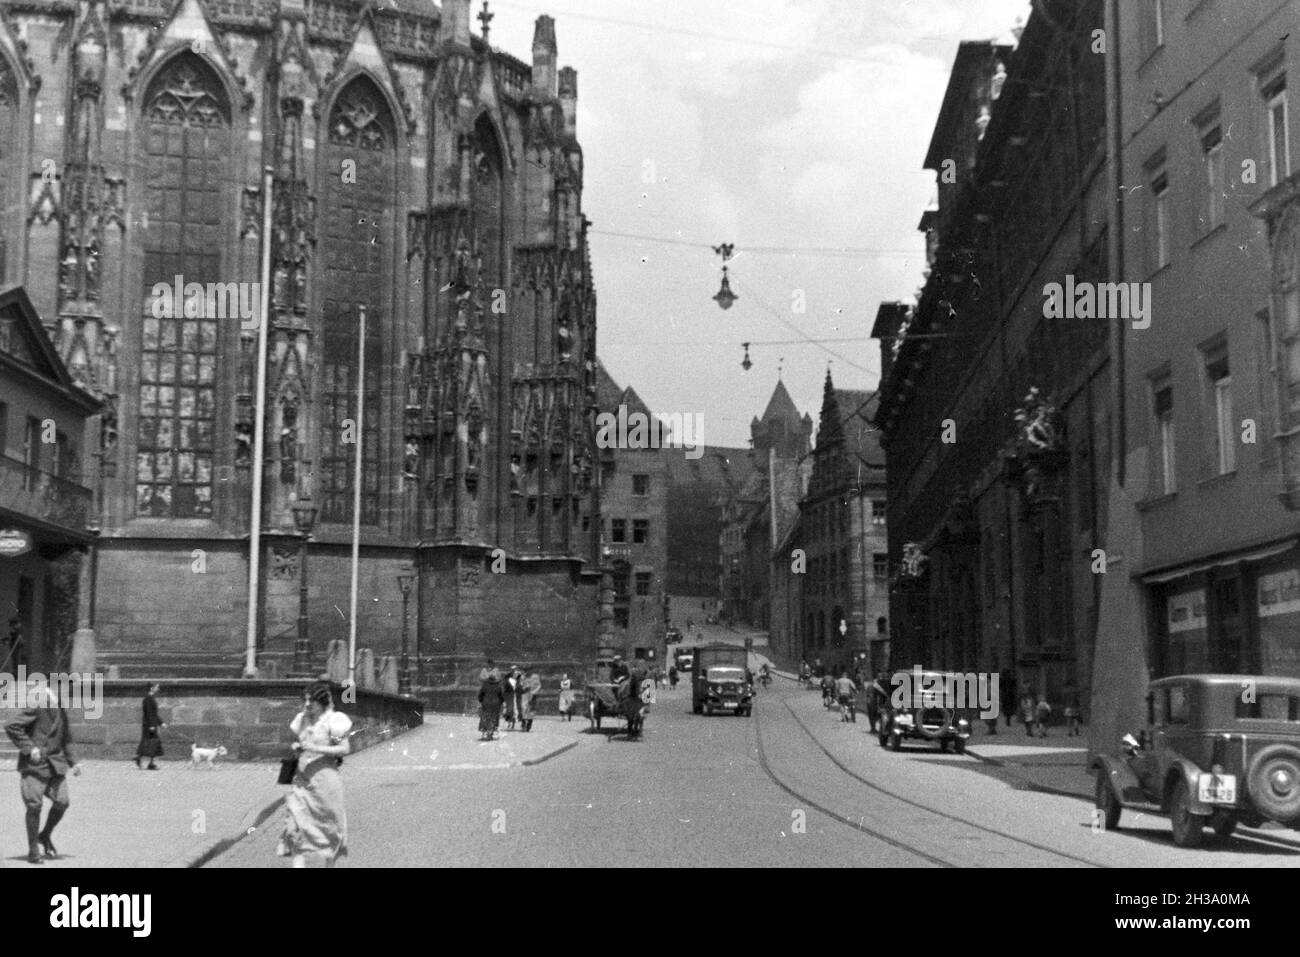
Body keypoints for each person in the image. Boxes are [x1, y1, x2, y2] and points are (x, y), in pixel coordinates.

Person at [278, 681, 352, 868]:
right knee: (295, 827)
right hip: (302, 783)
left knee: (327, 832)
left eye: (312, 702)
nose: (307, 705)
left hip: (326, 785)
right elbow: (297, 742)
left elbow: (344, 748)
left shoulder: (334, 721)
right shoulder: (301, 720)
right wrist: (296, 747)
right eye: (305, 701)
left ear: (322, 702)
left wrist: (315, 748)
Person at [6, 683, 80, 864]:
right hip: (35, 766)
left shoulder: (60, 708)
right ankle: (33, 851)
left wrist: (74, 761)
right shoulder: (38, 703)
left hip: (56, 765)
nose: (66, 692)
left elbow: (67, 738)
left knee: (62, 802)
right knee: (34, 806)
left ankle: (44, 835)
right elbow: (11, 725)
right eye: (63, 688)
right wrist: (29, 748)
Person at [134, 683, 165, 770]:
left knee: (151, 743)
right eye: (156, 687)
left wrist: (161, 723)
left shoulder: (151, 698)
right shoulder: (148, 699)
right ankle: (146, 761)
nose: (158, 689)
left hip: (151, 724)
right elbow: (149, 713)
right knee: (150, 743)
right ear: (151, 688)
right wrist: (152, 725)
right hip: (149, 725)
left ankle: (144, 760)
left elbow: (154, 714)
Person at [479, 671, 505, 739]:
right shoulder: (498, 687)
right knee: (494, 718)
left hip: (486, 703)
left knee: (485, 717)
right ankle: (491, 731)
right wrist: (501, 702)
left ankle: (485, 731)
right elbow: (501, 697)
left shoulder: (484, 686)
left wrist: (482, 701)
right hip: (495, 704)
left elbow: (480, 695)